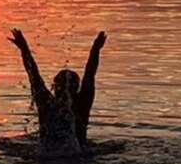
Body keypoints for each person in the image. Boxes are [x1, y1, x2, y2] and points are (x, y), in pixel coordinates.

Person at [8, 28, 107, 156]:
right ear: (77, 88)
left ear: (54, 87)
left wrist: (24, 48)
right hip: (78, 157)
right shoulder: (82, 105)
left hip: (46, 156)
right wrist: (95, 50)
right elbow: (89, 75)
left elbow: (33, 74)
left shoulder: (46, 103)